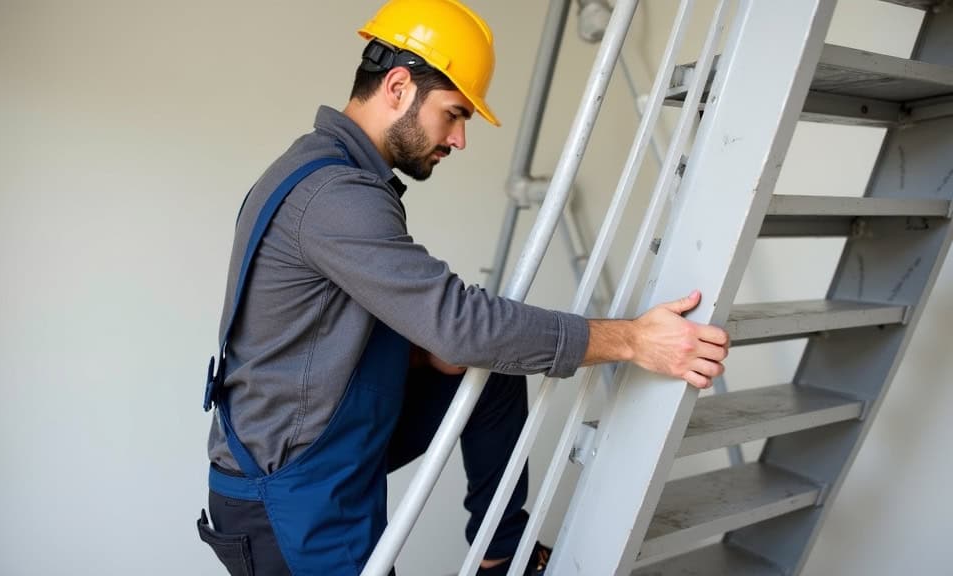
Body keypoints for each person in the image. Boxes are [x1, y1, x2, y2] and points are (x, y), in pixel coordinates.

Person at [196, 1, 729, 575]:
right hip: (285, 494)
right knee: (480, 342)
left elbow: (328, 325)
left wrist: (428, 353)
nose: (459, 138)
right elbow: (464, 324)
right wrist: (632, 341)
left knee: (492, 368)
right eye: (453, 114)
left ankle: (501, 558)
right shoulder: (335, 196)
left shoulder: (327, 172)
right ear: (398, 87)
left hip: (323, 444)